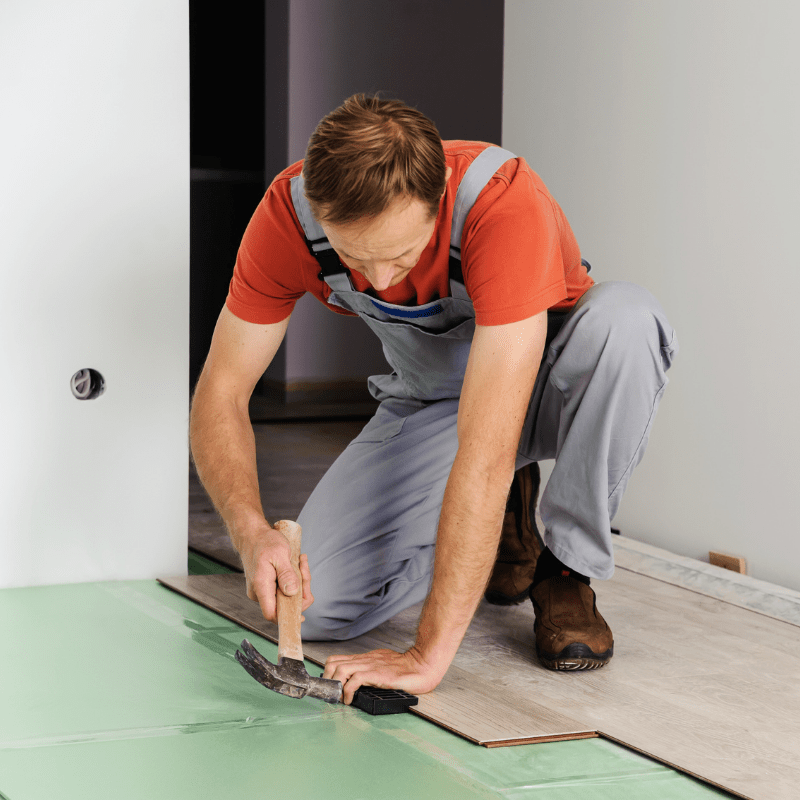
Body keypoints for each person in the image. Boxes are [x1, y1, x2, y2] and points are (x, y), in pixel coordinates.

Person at [190, 94, 678, 704]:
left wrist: (426, 655)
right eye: (354, 259)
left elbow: (486, 451)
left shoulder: (502, 203)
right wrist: (250, 529)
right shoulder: (286, 220)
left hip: (550, 392)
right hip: (437, 405)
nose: (384, 280)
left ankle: (563, 567)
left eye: (400, 255)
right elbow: (222, 393)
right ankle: (501, 524)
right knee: (317, 608)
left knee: (625, 321)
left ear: (439, 194)